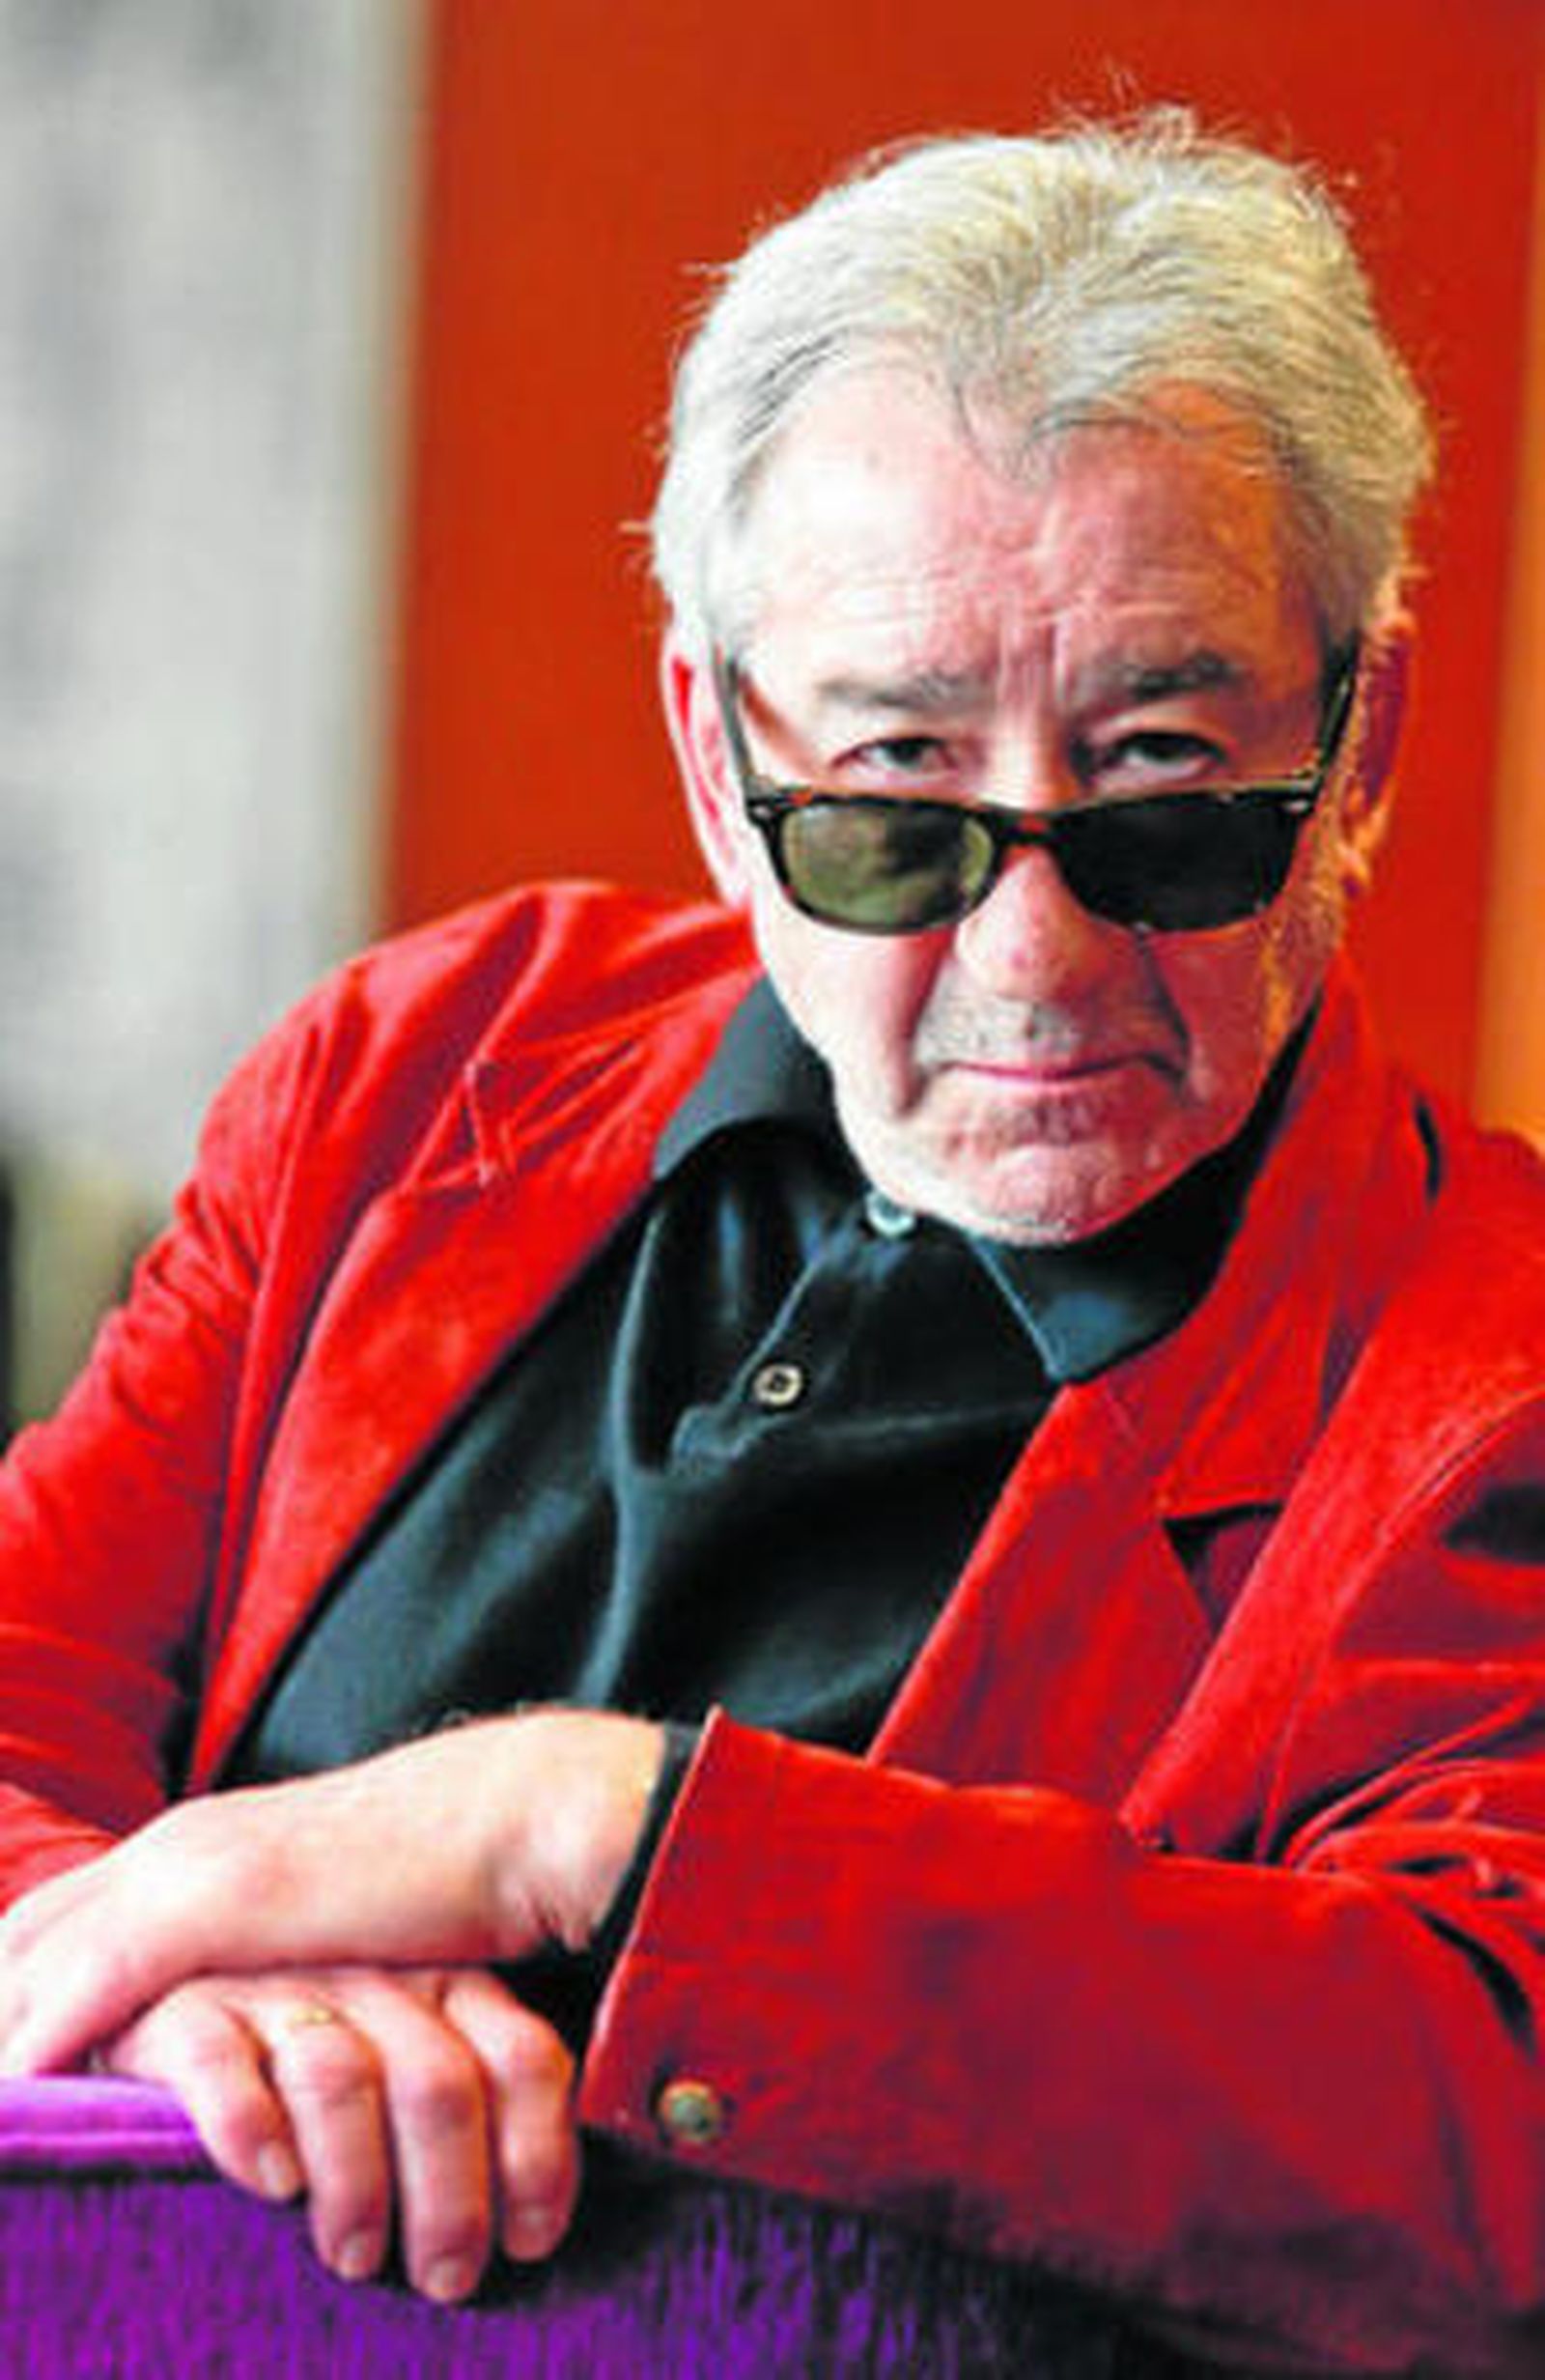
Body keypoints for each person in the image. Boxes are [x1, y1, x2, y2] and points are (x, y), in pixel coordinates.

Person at [2, 108, 1543, 2377]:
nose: (1030, 959)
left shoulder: (1485, 1371)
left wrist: (593, 1826)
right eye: (892, 799)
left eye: (1158, 782)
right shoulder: (416, 1067)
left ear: (1358, 744)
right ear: (716, 764)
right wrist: (163, 1994)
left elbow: (1486, 2113)